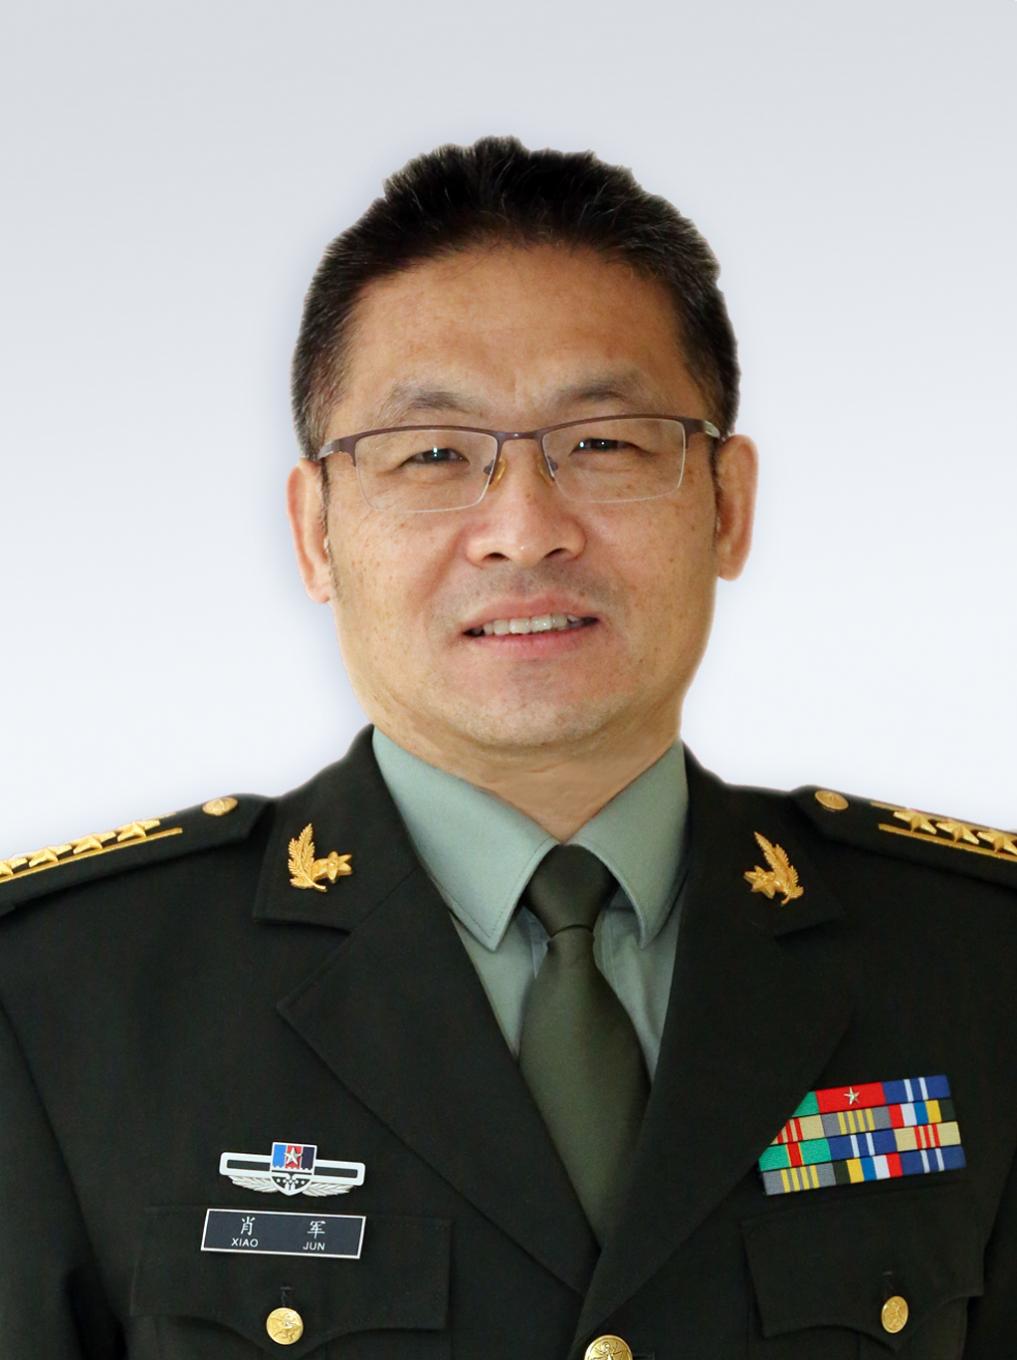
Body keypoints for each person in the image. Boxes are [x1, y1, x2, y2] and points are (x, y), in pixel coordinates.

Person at [1, 135, 1014, 1360]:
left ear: (727, 504)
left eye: (605, 443)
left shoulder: (974, 958)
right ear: (317, 532)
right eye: (433, 454)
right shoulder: (60, 994)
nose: (524, 530)